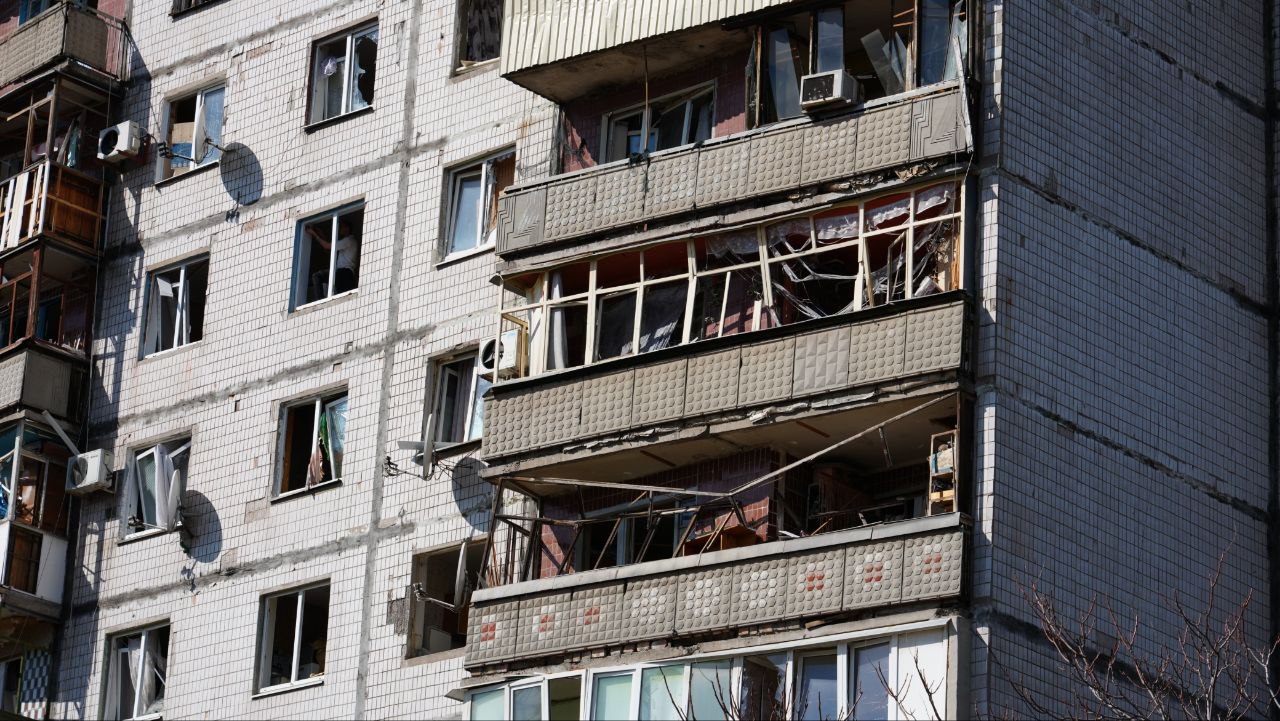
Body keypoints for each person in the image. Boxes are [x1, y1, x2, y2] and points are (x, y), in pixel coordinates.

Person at [307, 220, 359, 299]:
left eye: (342, 227)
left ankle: (320, 301)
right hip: (347, 276)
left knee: (317, 276)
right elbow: (329, 249)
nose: (340, 229)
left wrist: (314, 234)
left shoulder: (348, 240)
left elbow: (327, 246)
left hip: (344, 273)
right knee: (341, 299)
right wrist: (320, 234)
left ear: (347, 228)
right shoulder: (349, 242)